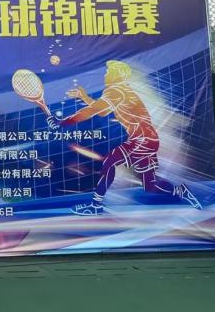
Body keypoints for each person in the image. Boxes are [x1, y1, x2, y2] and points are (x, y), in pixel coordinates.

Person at [47, 60, 201, 215]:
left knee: (110, 162)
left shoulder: (116, 91)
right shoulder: (123, 91)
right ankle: (180, 191)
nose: (106, 75)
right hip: (148, 139)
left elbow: (92, 111)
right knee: (150, 185)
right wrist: (85, 97)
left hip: (141, 139)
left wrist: (62, 122)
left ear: (117, 76)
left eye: (109, 72)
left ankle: (96, 205)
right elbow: (102, 111)